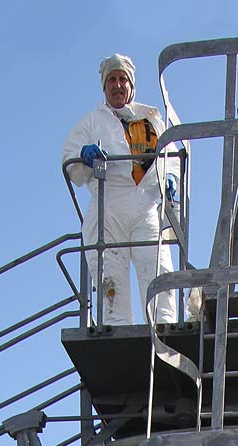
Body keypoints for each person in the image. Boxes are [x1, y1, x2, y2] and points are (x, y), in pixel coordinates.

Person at [62, 54, 178, 327]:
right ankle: (116, 328)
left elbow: (172, 155)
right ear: (104, 87)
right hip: (108, 207)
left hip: (146, 203)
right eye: (112, 80)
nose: (117, 85)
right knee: (110, 278)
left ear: (131, 85)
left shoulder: (152, 119)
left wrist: (171, 177)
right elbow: (69, 160)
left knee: (157, 268)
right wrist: (83, 154)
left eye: (122, 79)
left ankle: (164, 328)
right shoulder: (92, 122)